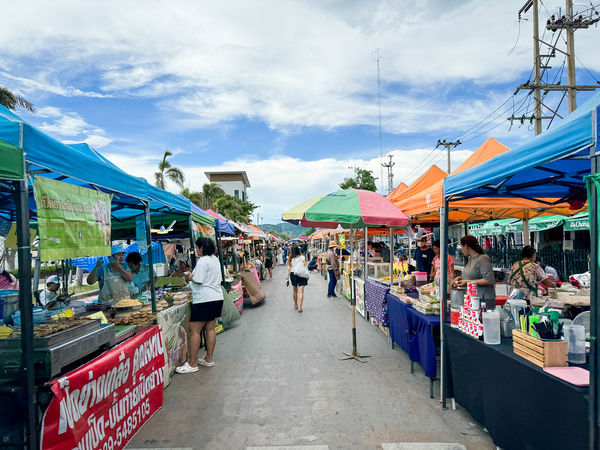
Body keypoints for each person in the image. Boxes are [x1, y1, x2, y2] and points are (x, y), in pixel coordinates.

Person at [176, 237, 224, 374]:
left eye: (197, 248)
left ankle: (192, 363)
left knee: (194, 330)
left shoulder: (203, 261)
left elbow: (198, 280)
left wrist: (190, 276)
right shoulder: (214, 259)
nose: (196, 251)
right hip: (216, 297)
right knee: (210, 328)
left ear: (202, 248)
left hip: (204, 299)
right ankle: (208, 359)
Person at [452, 236, 496, 310]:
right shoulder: (470, 259)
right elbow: (471, 275)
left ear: (466, 246)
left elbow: (489, 280)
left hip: (483, 299)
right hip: (471, 298)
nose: (461, 250)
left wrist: (467, 282)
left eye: (461, 246)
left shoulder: (482, 259)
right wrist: (459, 278)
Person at [286, 245, 308, 312]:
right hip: (301, 274)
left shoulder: (290, 258)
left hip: (293, 274)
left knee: (295, 290)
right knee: (301, 291)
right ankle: (300, 307)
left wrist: (287, 278)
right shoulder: (303, 257)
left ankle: (295, 304)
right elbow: (305, 265)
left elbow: (289, 269)